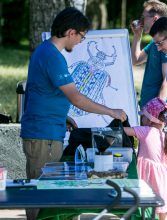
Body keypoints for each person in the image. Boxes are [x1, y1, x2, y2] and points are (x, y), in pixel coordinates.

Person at [21, 7, 127, 180]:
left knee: (43, 191)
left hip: (45, 130)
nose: (80, 41)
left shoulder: (45, 51)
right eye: (82, 36)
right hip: (43, 134)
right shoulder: (52, 56)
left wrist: (63, 117)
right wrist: (111, 111)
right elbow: (76, 98)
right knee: (42, 192)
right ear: (71, 32)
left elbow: (43, 91)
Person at [124, 97, 167, 220]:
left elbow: (123, 131)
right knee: (162, 214)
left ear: (149, 120)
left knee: (148, 211)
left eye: (143, 116)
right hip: (163, 180)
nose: (141, 118)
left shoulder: (145, 131)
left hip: (150, 178)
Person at [130, 0, 167, 115]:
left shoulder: (165, 43)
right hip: (147, 107)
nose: (141, 21)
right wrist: (137, 35)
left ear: (155, 19)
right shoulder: (154, 43)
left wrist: (156, 109)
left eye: (144, 17)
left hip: (155, 112)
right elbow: (136, 60)